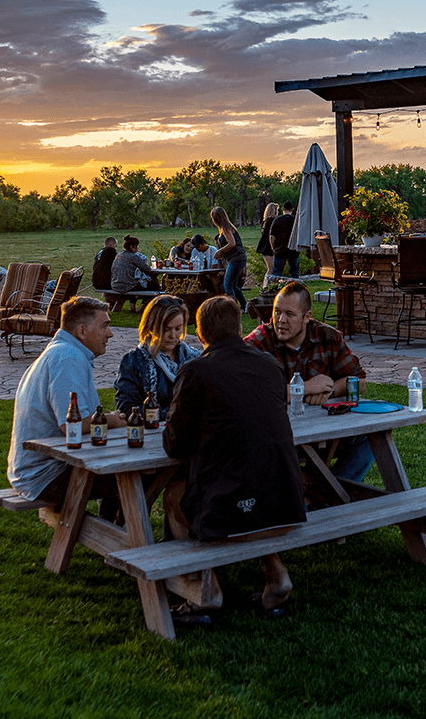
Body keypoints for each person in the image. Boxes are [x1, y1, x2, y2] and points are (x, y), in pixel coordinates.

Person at [163, 295, 306, 619]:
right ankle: (276, 575)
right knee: (255, 478)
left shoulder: (196, 370)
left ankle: (206, 589)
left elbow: (174, 445)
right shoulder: (269, 364)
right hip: (285, 503)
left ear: (200, 335)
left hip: (229, 510)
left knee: (174, 497)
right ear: (240, 328)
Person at [244, 280, 374, 482]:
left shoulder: (328, 336)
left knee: (371, 437)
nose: (280, 320)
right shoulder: (258, 342)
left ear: (307, 317)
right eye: (277, 312)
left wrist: (329, 391)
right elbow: (249, 393)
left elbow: (359, 381)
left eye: (289, 314)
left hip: (322, 431)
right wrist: (304, 388)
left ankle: (328, 499)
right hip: (276, 437)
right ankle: (311, 502)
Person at [7, 296, 127, 509]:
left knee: (128, 472)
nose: (110, 333)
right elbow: (72, 425)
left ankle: (119, 531)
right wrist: (111, 420)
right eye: (105, 326)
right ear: (81, 331)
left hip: (41, 470)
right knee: (139, 474)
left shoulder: (63, 352)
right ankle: (125, 536)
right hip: (48, 475)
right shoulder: (67, 357)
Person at [114, 295, 201, 421]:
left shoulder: (194, 358)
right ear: (151, 327)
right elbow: (127, 409)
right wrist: (175, 413)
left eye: (178, 328)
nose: (173, 335)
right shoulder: (133, 361)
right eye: (166, 329)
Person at [210, 206, 247, 310]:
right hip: (236, 258)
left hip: (236, 259)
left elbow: (232, 243)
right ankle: (245, 305)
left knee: (227, 285)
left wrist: (220, 251)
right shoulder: (226, 227)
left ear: (215, 218)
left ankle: (232, 308)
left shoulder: (226, 228)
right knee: (233, 285)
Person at [110, 235, 160, 307]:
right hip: (126, 286)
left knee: (135, 281)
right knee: (154, 287)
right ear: (131, 246)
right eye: (137, 246)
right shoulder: (133, 256)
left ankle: (132, 306)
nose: (137, 248)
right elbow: (147, 269)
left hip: (115, 285)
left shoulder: (119, 254)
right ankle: (142, 307)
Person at [269, 201, 299, 278]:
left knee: (277, 273)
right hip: (293, 250)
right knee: (294, 273)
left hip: (280, 250)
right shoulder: (296, 220)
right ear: (292, 209)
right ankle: (295, 288)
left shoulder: (277, 220)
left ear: (282, 209)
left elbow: (272, 236)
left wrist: (273, 247)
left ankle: (274, 288)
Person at [255, 202, 279, 284]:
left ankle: (268, 285)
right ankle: (266, 285)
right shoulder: (271, 222)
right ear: (274, 211)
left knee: (271, 269)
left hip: (265, 248)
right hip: (268, 248)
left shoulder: (266, 221)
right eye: (277, 210)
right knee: (271, 269)